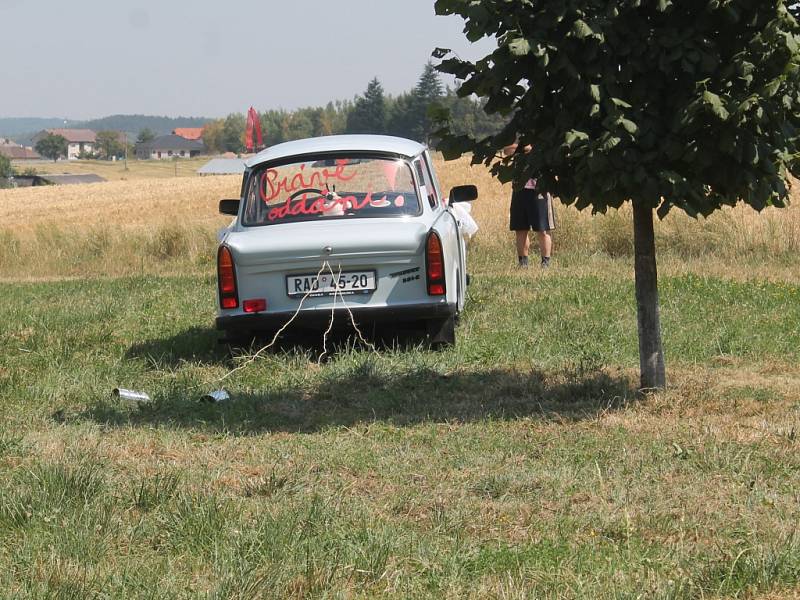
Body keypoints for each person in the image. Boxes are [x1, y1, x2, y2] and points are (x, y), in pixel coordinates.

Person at [504, 144, 555, 268]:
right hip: (519, 190)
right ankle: (523, 262)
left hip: (539, 189)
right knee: (520, 228)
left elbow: (539, 149)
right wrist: (523, 148)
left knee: (542, 229)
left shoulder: (543, 141)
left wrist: (524, 149)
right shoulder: (520, 142)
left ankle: (545, 263)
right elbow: (507, 151)